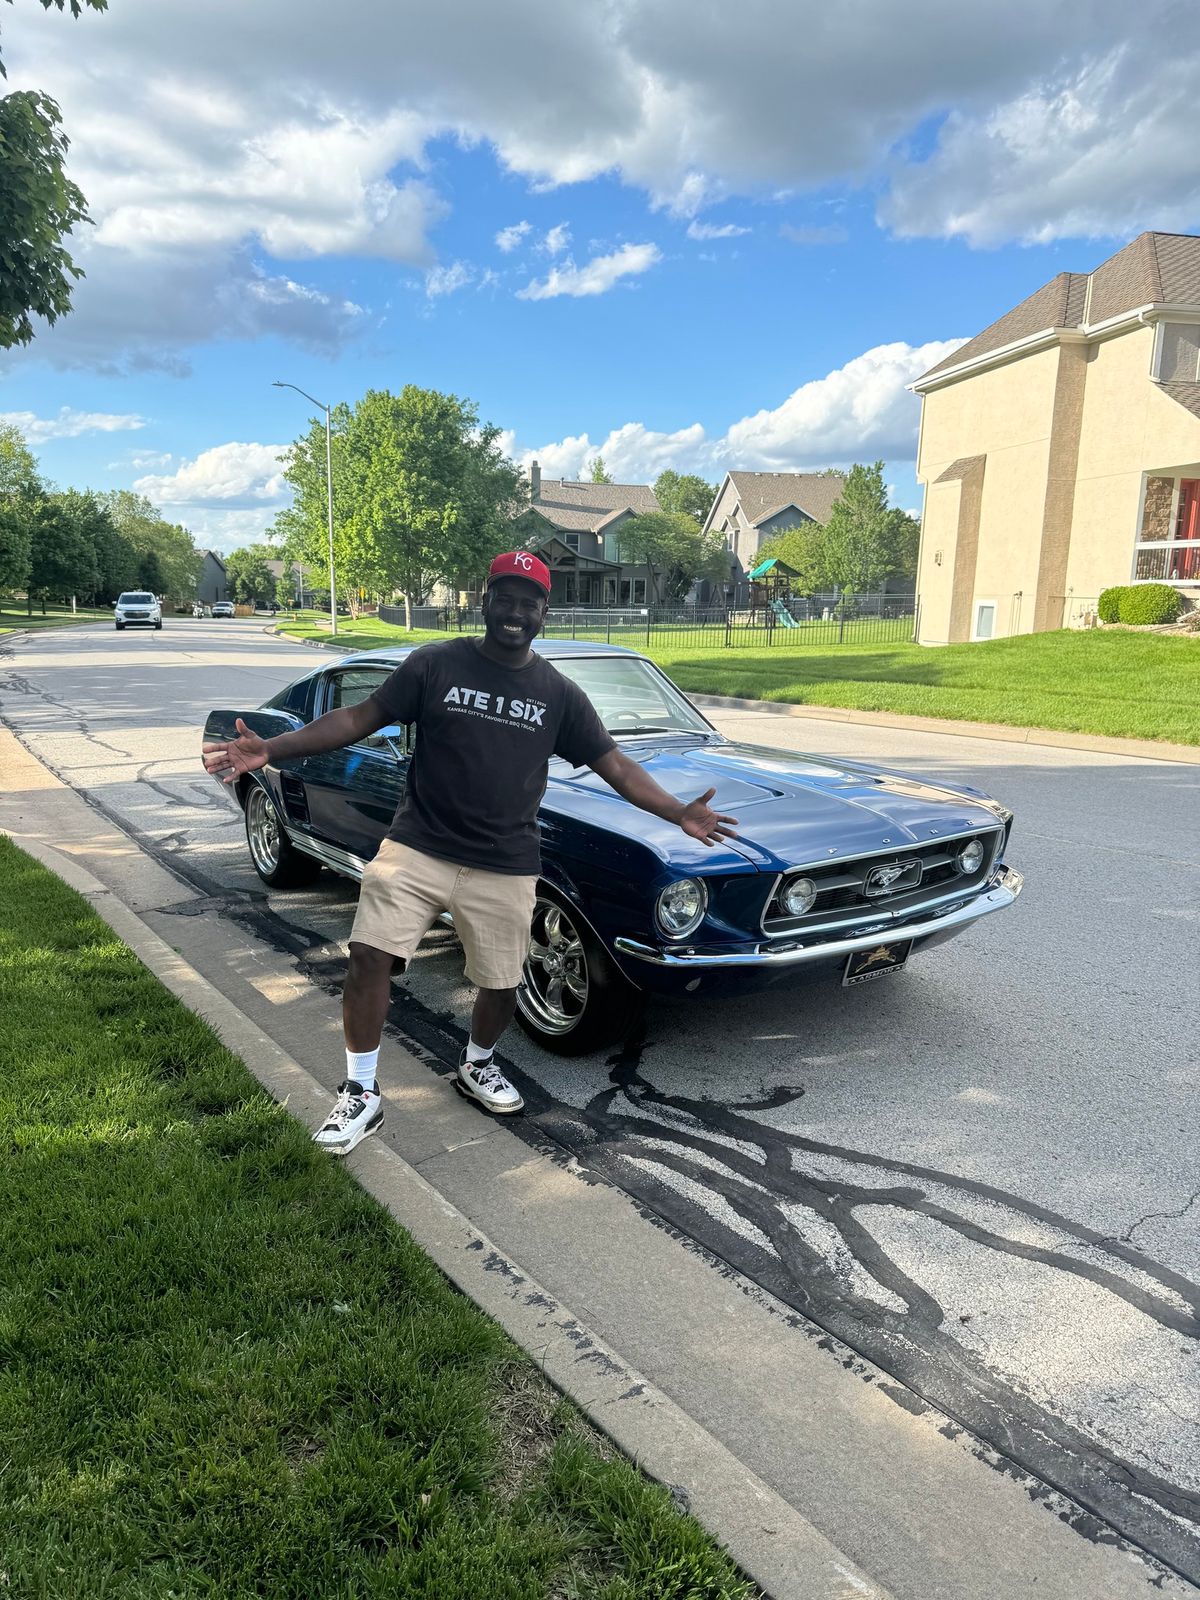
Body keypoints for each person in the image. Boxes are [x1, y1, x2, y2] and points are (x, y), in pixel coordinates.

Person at [202, 551, 737, 1155]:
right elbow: (358, 716)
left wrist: (678, 811)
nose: (514, 612)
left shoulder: (559, 694)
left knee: (502, 982)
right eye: (504, 598)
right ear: (484, 600)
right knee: (369, 957)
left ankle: (478, 1064)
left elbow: (613, 763)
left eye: (528, 602)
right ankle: (360, 1092)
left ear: (543, 611)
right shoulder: (436, 664)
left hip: (506, 861)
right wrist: (272, 749)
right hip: (418, 846)